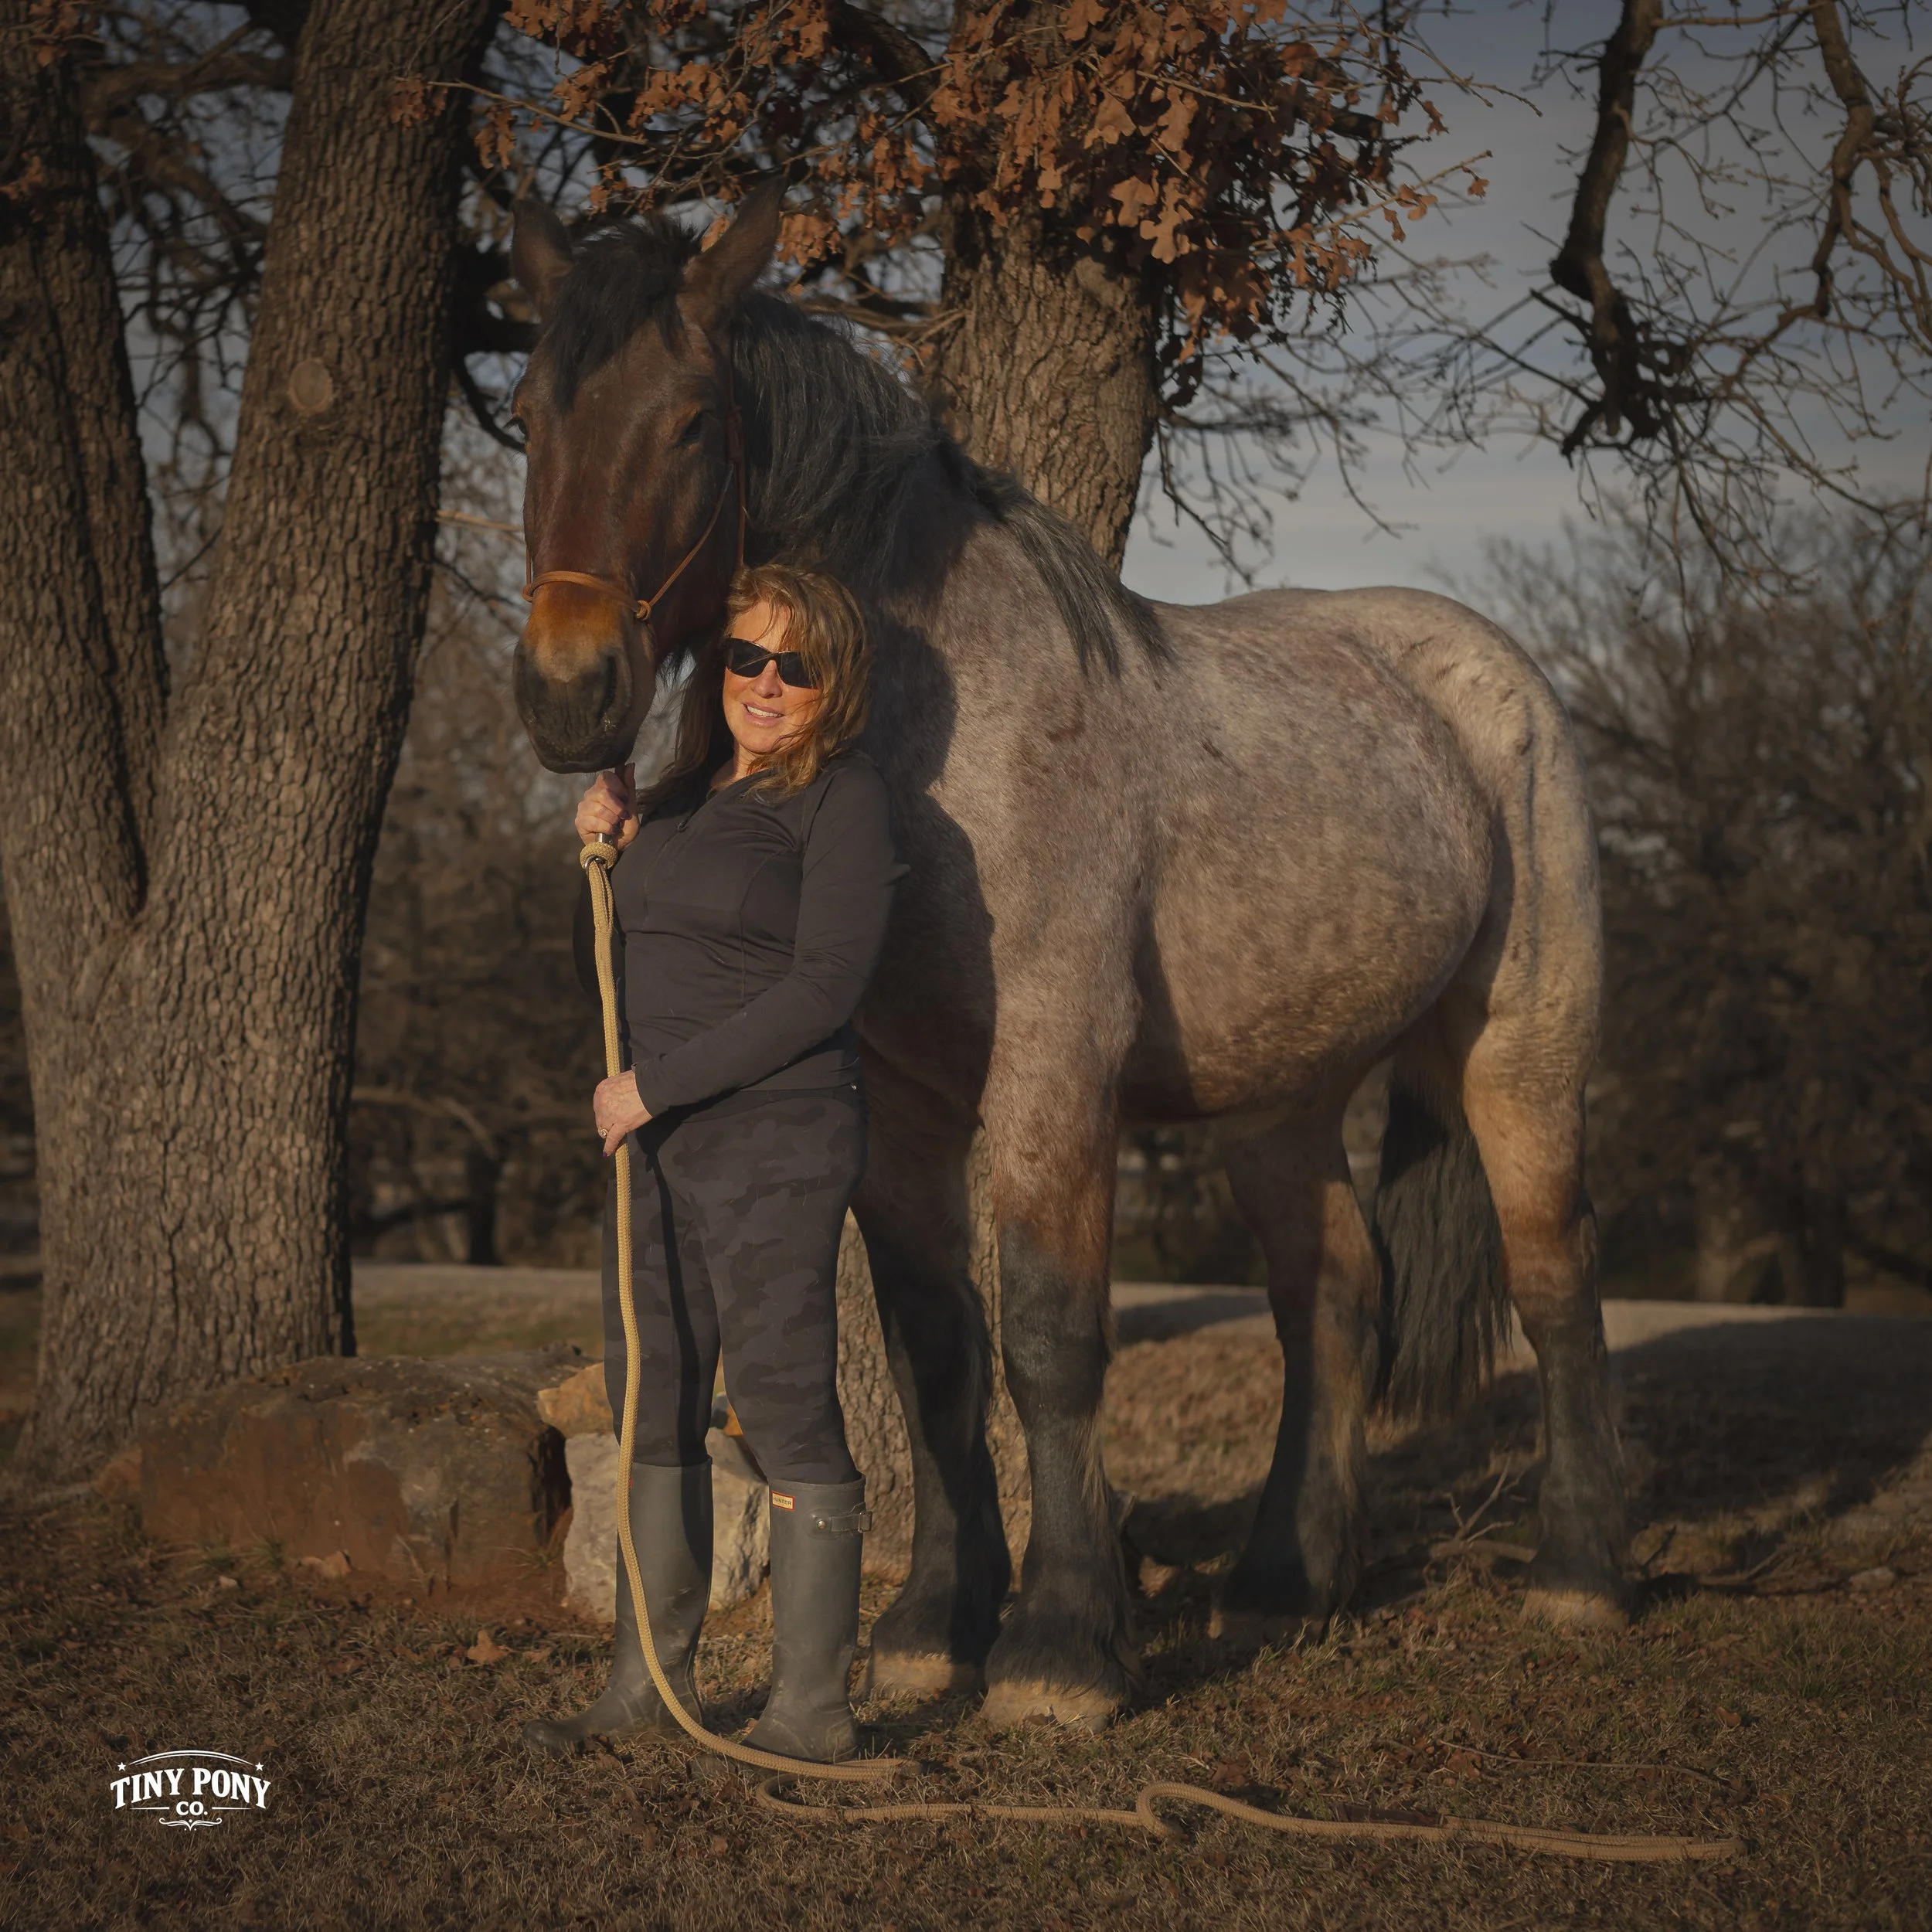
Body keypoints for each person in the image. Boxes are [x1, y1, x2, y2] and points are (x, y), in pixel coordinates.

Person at [522, 563, 903, 1765]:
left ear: (833, 684)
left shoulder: (843, 802)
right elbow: (637, 938)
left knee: (786, 1402)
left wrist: (653, 1087)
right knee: (656, 1395)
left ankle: (810, 1712)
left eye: (798, 665)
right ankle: (648, 1683)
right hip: (654, 1146)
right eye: (748, 657)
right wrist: (604, 836)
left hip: (776, 1136)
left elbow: (824, 990)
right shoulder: (678, 795)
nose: (769, 684)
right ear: (717, 669)